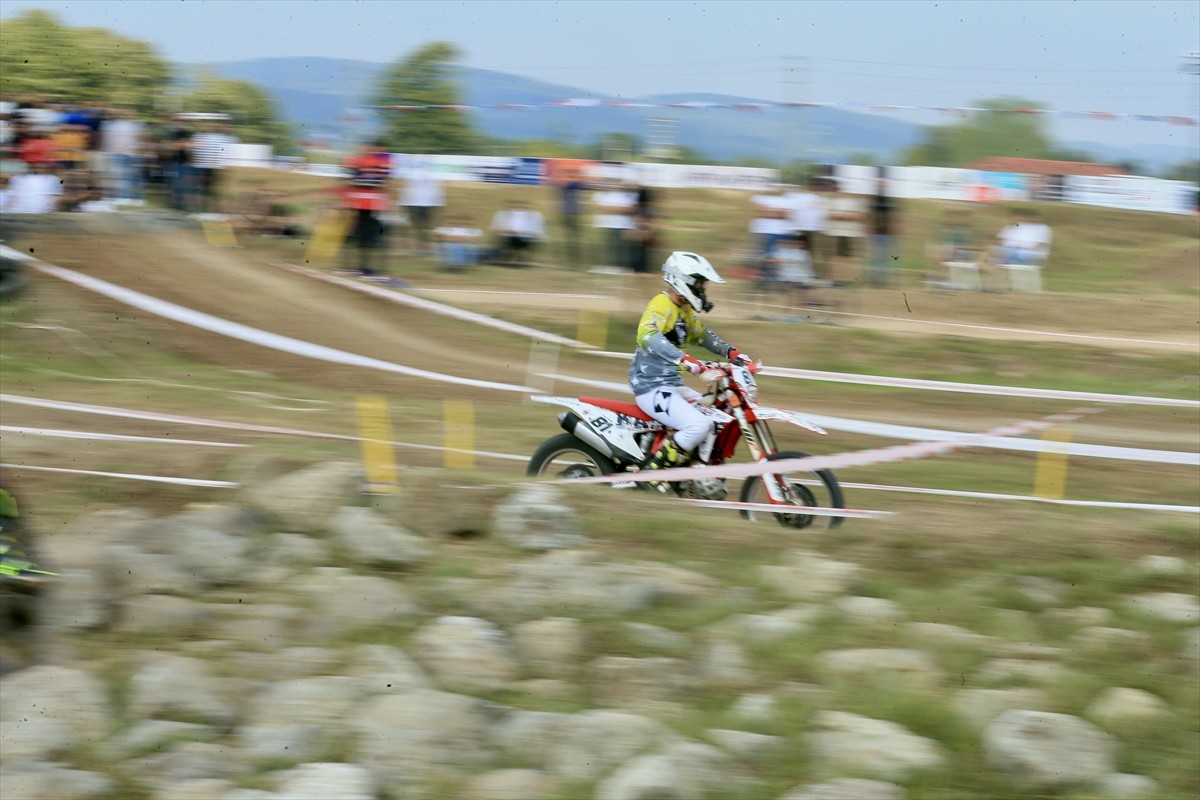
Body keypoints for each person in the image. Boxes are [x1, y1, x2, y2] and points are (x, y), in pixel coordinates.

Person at [629, 252, 755, 492]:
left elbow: (702, 335)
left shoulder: (683, 310)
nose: (701, 289)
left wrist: (733, 353)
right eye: (698, 284)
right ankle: (650, 477)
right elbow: (647, 335)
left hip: (672, 385)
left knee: (715, 418)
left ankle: (688, 475)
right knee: (697, 425)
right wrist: (687, 361)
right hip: (650, 386)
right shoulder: (661, 305)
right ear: (681, 280)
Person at [340, 139, 393, 279]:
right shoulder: (360, 161)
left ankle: (366, 267)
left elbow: (383, 180)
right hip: (361, 202)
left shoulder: (380, 162)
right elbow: (351, 178)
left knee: (369, 234)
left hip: (372, 203)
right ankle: (357, 266)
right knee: (359, 233)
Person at [824, 180, 867, 285]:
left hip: (852, 234)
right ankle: (835, 279)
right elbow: (827, 214)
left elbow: (860, 216)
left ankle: (848, 279)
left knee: (849, 258)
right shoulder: (831, 200)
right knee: (835, 257)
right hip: (835, 233)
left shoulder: (858, 201)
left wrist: (841, 215)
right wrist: (846, 215)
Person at [487, 199, 545, 266]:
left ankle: (514, 258)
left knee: (516, 239)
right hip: (510, 237)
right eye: (508, 207)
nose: (510, 209)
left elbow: (537, 230)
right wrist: (508, 230)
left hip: (525, 238)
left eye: (512, 207)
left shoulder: (534, 215)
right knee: (511, 239)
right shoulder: (500, 214)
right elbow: (493, 227)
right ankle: (511, 258)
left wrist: (521, 232)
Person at [867, 172, 899, 287]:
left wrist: (892, 229)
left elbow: (891, 217)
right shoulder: (875, 200)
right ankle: (876, 279)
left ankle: (882, 279)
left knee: (884, 257)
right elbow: (871, 216)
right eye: (879, 184)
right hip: (877, 233)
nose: (881, 186)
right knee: (876, 256)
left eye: (882, 184)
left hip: (885, 233)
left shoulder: (887, 200)